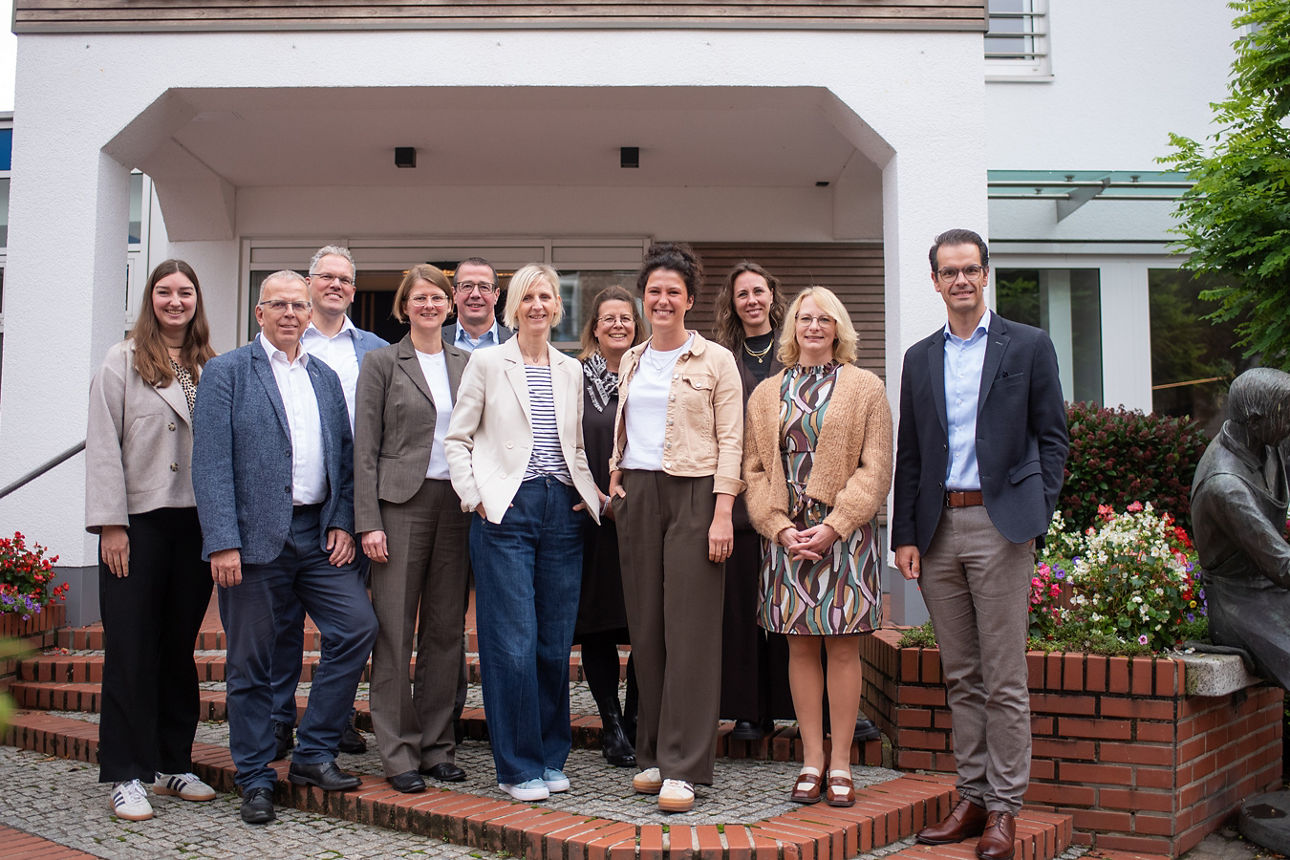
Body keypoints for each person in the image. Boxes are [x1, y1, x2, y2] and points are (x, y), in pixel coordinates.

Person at [892, 229, 1068, 860]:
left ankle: (1003, 808)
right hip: (938, 530)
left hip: (1001, 528)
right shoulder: (918, 358)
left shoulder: (1028, 345)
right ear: (935, 282)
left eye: (971, 270)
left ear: (986, 275)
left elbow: (1053, 437)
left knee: (1004, 677)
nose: (961, 280)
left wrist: (1036, 509)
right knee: (961, 672)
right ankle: (970, 794)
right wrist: (905, 536)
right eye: (949, 272)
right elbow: (908, 453)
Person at [193, 270, 379, 825]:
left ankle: (314, 752)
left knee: (356, 628)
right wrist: (222, 542)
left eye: (298, 306)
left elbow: (343, 459)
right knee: (250, 661)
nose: (291, 314)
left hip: (317, 536)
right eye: (279, 305)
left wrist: (343, 522)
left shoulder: (323, 375)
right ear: (259, 312)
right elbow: (210, 463)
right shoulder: (227, 373)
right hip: (251, 544)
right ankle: (254, 776)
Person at [444, 263, 601, 802]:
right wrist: (478, 499)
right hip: (506, 511)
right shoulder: (487, 362)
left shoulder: (570, 370)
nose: (537, 305)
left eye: (546, 297)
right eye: (527, 297)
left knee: (555, 645)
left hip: (563, 511)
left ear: (558, 306)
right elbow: (457, 439)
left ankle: (550, 755)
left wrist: (587, 494)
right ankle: (517, 766)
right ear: (513, 307)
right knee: (511, 644)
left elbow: (575, 446)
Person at [608, 242, 744, 814]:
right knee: (647, 629)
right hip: (638, 495)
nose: (662, 300)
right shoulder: (631, 359)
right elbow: (625, 424)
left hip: (694, 494)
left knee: (689, 630)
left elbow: (732, 441)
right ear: (645, 297)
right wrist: (615, 473)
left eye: (673, 291)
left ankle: (685, 766)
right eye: (654, 291)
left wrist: (721, 513)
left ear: (689, 299)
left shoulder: (715, 360)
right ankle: (654, 757)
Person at [743, 286, 892, 808]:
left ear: (838, 328)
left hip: (844, 537)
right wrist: (778, 526)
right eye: (805, 318)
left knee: (843, 646)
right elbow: (754, 470)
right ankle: (811, 759)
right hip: (787, 537)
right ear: (793, 328)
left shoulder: (865, 387)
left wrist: (836, 524)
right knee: (800, 646)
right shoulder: (766, 393)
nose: (813, 327)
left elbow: (877, 469)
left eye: (824, 319)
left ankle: (843, 762)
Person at [85, 260, 219, 822]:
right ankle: (125, 774)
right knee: (131, 650)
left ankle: (171, 763)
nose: (175, 301)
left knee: (176, 651)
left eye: (185, 292)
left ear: (196, 301)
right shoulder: (123, 359)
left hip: (193, 527)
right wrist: (110, 523)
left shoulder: (211, 365)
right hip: (136, 524)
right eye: (164, 292)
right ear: (150, 298)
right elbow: (102, 443)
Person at [354, 264, 472, 794]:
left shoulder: (467, 364)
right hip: (399, 506)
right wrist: (368, 522)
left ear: (450, 306)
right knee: (395, 633)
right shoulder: (381, 362)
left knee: (446, 631)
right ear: (404, 306)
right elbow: (364, 449)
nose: (429, 306)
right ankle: (398, 751)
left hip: (456, 506)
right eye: (419, 298)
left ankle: (436, 745)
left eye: (438, 298)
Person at [271, 245, 387, 761]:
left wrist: (352, 515)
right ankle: (277, 722)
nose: (335, 285)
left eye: (345, 279)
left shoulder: (376, 349)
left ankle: (333, 720)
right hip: (285, 500)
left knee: (348, 621)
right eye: (326, 277)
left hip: (348, 501)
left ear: (353, 291)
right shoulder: (285, 337)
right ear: (309, 284)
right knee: (282, 623)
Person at [711, 261, 793, 741]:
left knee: (792, 605)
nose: (751, 301)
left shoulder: (796, 349)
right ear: (733, 303)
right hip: (740, 498)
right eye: (742, 294)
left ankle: (796, 705)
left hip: (790, 498)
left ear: (772, 296)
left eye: (758, 291)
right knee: (741, 608)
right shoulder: (722, 357)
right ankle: (748, 710)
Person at [575, 285, 646, 768]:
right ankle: (612, 723)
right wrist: (587, 494)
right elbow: (558, 440)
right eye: (608, 318)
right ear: (594, 328)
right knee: (598, 625)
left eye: (626, 317)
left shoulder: (652, 371)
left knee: (646, 620)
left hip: (644, 517)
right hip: (590, 519)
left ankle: (640, 718)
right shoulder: (573, 377)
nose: (618, 324)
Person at [1192, 368, 1290, 688]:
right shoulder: (1226, 486)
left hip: (1272, 589)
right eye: (1286, 418)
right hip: (1241, 607)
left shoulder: (1267, 445)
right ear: (1256, 420)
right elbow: (1283, 565)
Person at [443, 256, 514, 351]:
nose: (475, 294)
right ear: (454, 294)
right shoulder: (434, 340)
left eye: (484, 287)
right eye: (467, 286)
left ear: (496, 295)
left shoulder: (517, 342)